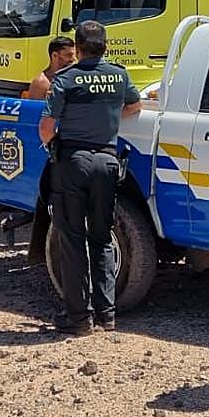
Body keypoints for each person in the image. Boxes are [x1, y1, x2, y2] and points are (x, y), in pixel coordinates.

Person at [39, 20, 142, 334]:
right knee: (102, 239)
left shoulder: (66, 79)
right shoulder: (119, 75)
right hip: (107, 162)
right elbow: (135, 106)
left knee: (72, 240)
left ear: (78, 49)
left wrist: (53, 144)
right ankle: (106, 315)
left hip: (73, 162)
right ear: (106, 47)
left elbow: (46, 128)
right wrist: (109, 119)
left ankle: (79, 319)